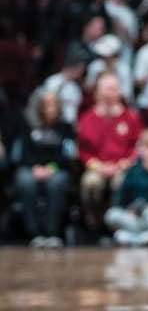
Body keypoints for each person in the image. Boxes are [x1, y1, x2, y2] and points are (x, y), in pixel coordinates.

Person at [77, 72, 143, 235]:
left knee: (121, 183)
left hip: (123, 166)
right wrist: (98, 166)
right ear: (98, 92)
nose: (111, 93)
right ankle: (93, 222)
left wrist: (124, 163)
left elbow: (137, 146)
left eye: (115, 89)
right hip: (97, 167)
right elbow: (82, 149)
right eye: (108, 89)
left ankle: (118, 224)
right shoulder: (87, 118)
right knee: (91, 183)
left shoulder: (130, 117)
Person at [13, 90, 77, 246]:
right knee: (25, 181)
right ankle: (33, 232)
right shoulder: (30, 127)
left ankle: (52, 231)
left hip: (56, 168)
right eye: (46, 104)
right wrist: (34, 168)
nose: (50, 108)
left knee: (56, 183)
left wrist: (51, 168)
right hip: (32, 167)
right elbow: (24, 153)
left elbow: (68, 155)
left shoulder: (65, 128)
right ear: (39, 107)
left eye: (53, 104)